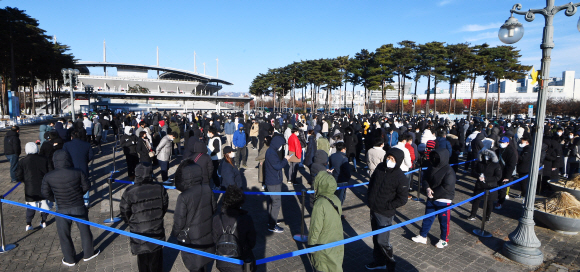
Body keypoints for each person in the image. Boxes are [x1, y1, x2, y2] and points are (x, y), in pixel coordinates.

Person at [41, 150, 99, 266]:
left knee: (64, 235)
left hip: (61, 207)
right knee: (85, 231)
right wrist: (79, 193)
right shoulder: (78, 172)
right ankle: (88, 253)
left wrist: (55, 199)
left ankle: (69, 259)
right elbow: (87, 185)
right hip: (78, 205)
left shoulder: (49, 176)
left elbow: (45, 192)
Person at [120, 163, 169, 272]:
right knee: (156, 260)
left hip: (139, 232)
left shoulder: (130, 191)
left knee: (142, 261)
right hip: (156, 229)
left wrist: (131, 223)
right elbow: (164, 206)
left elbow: (124, 211)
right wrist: (158, 217)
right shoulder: (159, 187)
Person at [366, 148, 408, 271]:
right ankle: (379, 261)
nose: (389, 161)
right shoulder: (380, 167)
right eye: (388, 158)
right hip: (373, 209)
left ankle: (390, 262)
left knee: (382, 241)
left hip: (385, 213)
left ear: (398, 161)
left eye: (393, 159)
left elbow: (402, 199)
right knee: (375, 239)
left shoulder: (400, 177)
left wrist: (388, 206)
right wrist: (369, 198)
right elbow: (372, 183)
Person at [171, 160, 216, 272]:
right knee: (203, 261)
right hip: (206, 231)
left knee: (194, 264)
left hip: (191, 237)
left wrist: (175, 233)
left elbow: (179, 220)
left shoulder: (184, 196)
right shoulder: (207, 188)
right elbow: (213, 209)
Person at [412, 149, 456, 248]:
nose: (434, 159)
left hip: (444, 199)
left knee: (444, 221)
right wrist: (427, 188)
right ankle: (423, 236)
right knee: (427, 218)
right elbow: (425, 179)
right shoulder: (431, 167)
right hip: (431, 197)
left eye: (437, 157)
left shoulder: (449, 170)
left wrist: (434, 193)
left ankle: (444, 240)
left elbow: (447, 187)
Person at [212, 185, 256, 272]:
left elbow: (214, 240)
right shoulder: (246, 219)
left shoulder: (216, 218)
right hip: (241, 260)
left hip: (222, 261)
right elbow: (252, 242)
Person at [308, 166, 344, 272]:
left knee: (323, 268)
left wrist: (311, 246)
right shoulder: (336, 199)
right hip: (336, 241)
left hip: (322, 245)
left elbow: (315, 228)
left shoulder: (319, 204)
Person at [16, 142, 52, 231]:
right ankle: (43, 221)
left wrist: (24, 180)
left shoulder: (23, 161)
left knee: (31, 205)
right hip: (43, 185)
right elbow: (50, 171)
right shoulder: (44, 159)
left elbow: (18, 175)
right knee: (44, 204)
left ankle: (28, 223)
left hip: (30, 186)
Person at [264, 135, 292, 233]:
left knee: (272, 202)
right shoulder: (271, 153)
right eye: (281, 145)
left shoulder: (271, 151)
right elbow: (278, 166)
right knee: (276, 202)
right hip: (273, 181)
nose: (282, 147)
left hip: (273, 180)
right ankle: (272, 225)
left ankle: (271, 220)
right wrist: (285, 160)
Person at [63, 131, 94, 207]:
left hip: (71, 168)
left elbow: (64, 156)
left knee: (72, 185)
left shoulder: (66, 145)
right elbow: (91, 155)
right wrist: (85, 161)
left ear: (71, 137)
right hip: (83, 167)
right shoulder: (87, 144)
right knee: (84, 184)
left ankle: (75, 201)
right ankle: (86, 202)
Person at [468, 149, 501, 222]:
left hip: (491, 186)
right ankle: (473, 214)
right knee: (476, 200)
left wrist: (486, 178)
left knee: (490, 202)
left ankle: (487, 216)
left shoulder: (496, 165)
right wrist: (478, 175)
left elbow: (498, 177)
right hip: (480, 185)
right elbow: (473, 172)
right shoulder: (479, 163)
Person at [495, 136, 517, 210]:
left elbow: (511, 165)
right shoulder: (497, 150)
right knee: (496, 186)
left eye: (503, 142)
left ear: (508, 143)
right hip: (497, 171)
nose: (501, 144)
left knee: (502, 189)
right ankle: (497, 198)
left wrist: (507, 177)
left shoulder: (511, 152)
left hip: (505, 172)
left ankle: (500, 202)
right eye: (500, 142)